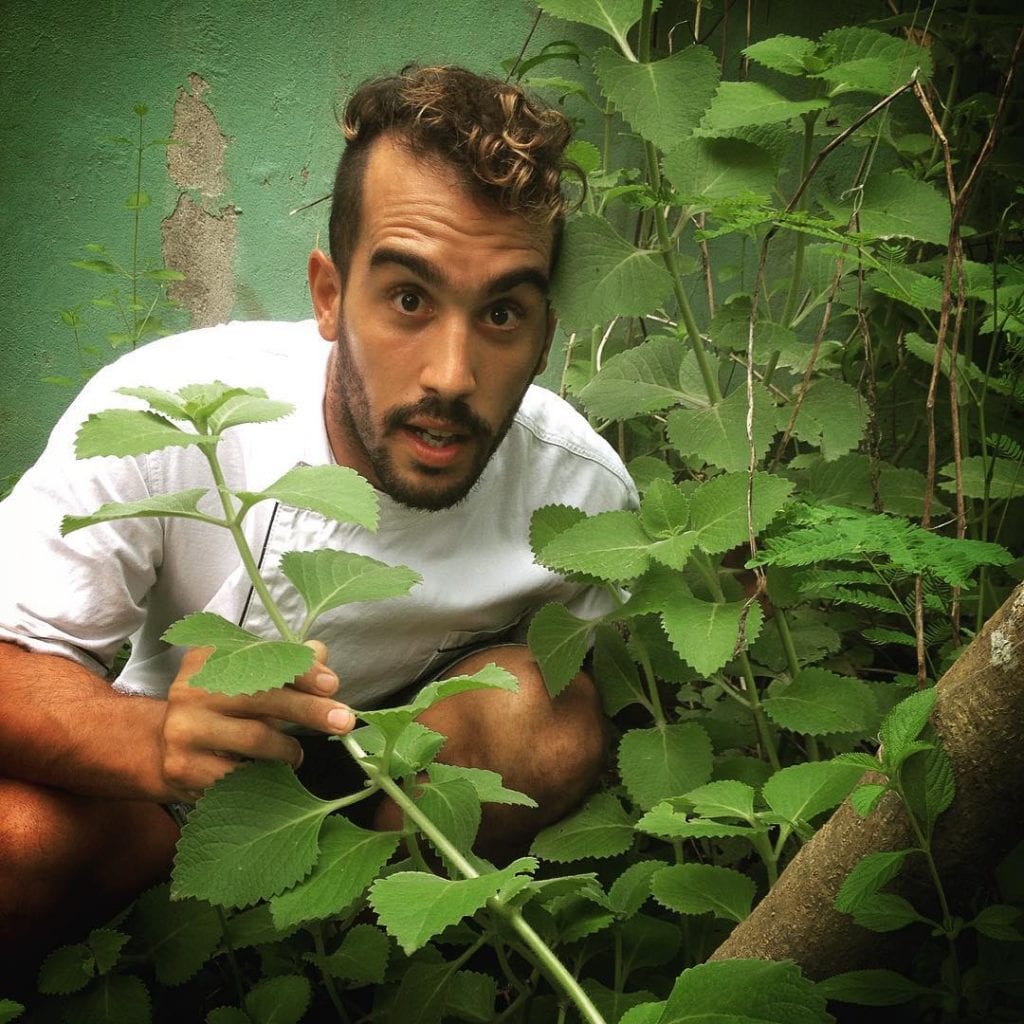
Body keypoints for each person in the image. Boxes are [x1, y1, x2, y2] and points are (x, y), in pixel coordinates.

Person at [0, 65, 637, 959]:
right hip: (154, 795)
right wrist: (156, 742)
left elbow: (594, 716)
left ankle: (356, 949)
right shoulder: (174, 409)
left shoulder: (585, 499)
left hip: (395, 792)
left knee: (548, 717)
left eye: (501, 312)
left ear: (543, 332)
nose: (450, 375)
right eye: (409, 299)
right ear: (330, 296)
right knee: (15, 842)